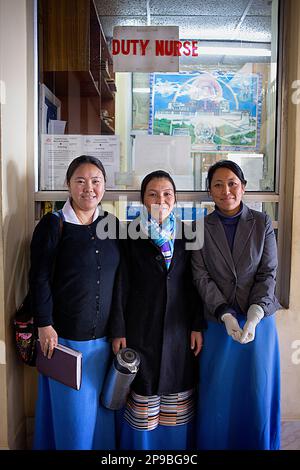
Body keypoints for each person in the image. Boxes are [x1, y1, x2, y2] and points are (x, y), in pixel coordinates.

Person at [110, 170, 205, 451]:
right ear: (142, 199)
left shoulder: (188, 234)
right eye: (152, 194)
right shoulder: (129, 234)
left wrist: (197, 325)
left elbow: (195, 283)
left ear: (175, 199)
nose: (160, 199)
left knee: (176, 397)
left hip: (178, 329)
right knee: (143, 394)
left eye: (166, 194)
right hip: (140, 328)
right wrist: (118, 329)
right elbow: (120, 285)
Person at [30, 155, 120, 450]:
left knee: (100, 419)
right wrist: (44, 324)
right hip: (65, 341)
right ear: (68, 185)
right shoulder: (53, 225)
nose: (89, 188)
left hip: (103, 344)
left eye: (96, 181)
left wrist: (119, 331)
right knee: (73, 422)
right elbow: (39, 277)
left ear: (104, 186)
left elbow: (120, 283)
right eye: (80, 181)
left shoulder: (112, 225)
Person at [191, 160, 281, 450]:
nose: (226, 190)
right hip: (219, 326)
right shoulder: (199, 227)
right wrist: (225, 314)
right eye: (218, 184)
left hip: (259, 324)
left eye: (232, 183)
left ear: (243, 187)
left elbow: (268, 272)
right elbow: (201, 276)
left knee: (257, 392)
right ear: (209, 191)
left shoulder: (262, 222)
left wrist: (254, 315)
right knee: (218, 393)